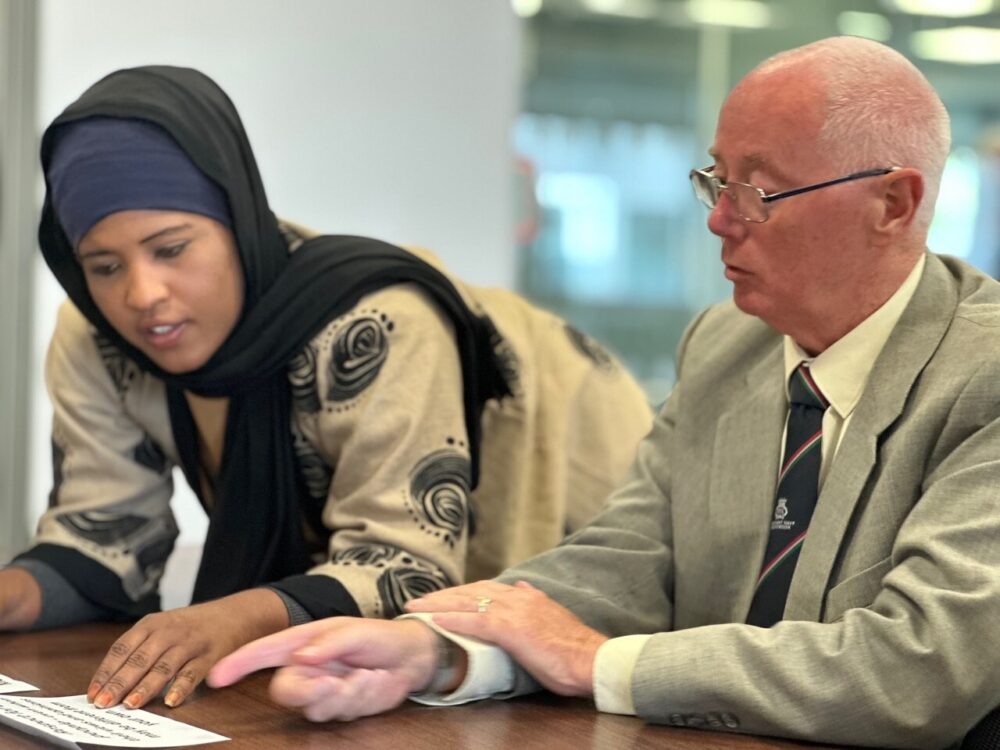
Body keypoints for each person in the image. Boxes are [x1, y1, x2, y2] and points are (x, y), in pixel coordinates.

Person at [209, 36, 1000, 748]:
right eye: (714, 181)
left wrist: (595, 662)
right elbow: (631, 559)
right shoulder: (727, 345)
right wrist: (447, 650)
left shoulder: (985, 373)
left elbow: (918, 671)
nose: (720, 222)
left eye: (760, 192)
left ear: (892, 204)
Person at [0, 66, 653, 712]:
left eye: (171, 249)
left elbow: (408, 566)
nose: (141, 295)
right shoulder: (95, 337)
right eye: (104, 266)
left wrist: (233, 617)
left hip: (563, 469)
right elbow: (102, 540)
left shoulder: (375, 323)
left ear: (240, 221)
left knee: (525, 676)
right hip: (364, 604)